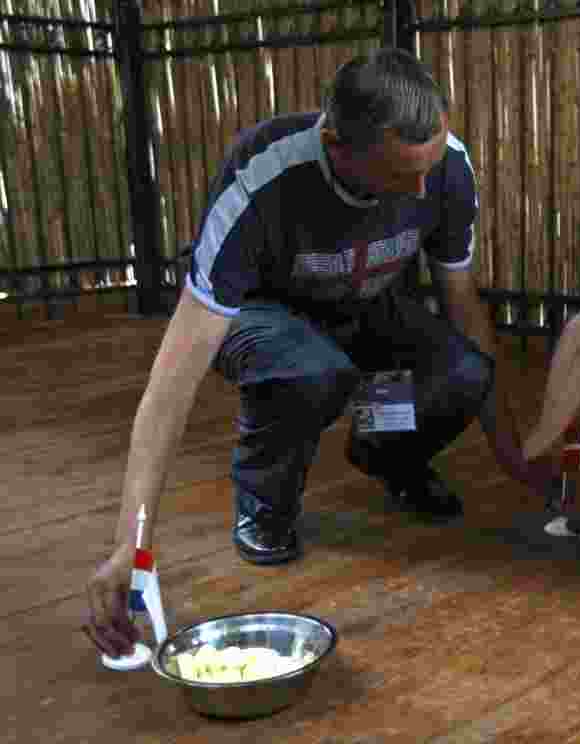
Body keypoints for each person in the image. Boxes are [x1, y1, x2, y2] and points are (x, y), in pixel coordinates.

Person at [83, 48, 554, 659]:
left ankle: (387, 452)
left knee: (465, 369)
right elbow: (170, 387)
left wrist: (511, 453)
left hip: (364, 308)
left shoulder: (446, 168)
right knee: (313, 370)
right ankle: (264, 500)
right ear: (335, 144)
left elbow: (463, 306)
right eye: (400, 174)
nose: (421, 189)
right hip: (262, 320)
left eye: (429, 167)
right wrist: (132, 545)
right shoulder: (262, 180)